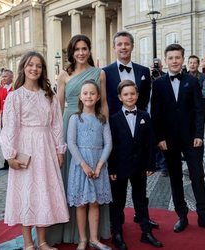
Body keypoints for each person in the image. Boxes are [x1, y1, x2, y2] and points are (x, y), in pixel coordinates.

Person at [0, 51, 69, 250]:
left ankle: (43, 241)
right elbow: (9, 126)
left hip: (45, 148)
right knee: (27, 193)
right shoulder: (15, 96)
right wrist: (10, 155)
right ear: (23, 67)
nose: (34, 69)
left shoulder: (50, 95)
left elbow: (56, 125)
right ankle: (29, 243)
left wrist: (59, 150)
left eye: (38, 65)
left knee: (43, 191)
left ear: (42, 69)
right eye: (30, 65)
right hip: (25, 148)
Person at [151, 43, 205, 233]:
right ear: (165, 61)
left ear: (182, 59)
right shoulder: (158, 84)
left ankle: (204, 216)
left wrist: (199, 134)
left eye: (177, 57)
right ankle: (182, 216)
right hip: (169, 140)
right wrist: (159, 138)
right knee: (175, 178)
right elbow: (156, 114)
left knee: (198, 176)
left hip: (192, 139)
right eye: (171, 58)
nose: (174, 61)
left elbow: (199, 111)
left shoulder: (192, 82)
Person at [46, 34, 110, 245]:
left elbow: (104, 104)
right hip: (69, 124)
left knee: (93, 183)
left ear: (89, 50)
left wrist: (105, 128)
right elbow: (57, 107)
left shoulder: (99, 73)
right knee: (68, 178)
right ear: (71, 53)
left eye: (84, 48)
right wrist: (56, 140)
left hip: (94, 124)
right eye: (77, 49)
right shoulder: (64, 75)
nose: (81, 53)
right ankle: (67, 232)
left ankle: (92, 235)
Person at [103, 30, 159, 230]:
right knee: (117, 188)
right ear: (114, 47)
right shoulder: (105, 72)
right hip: (117, 133)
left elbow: (143, 102)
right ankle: (115, 225)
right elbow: (105, 102)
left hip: (139, 131)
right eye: (120, 44)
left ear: (132, 46)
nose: (124, 47)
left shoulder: (144, 71)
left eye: (127, 44)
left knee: (139, 187)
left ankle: (142, 218)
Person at [109, 80, 163, 249]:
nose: (130, 97)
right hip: (120, 166)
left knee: (141, 199)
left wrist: (150, 165)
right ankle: (116, 232)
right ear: (120, 97)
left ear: (138, 95)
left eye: (132, 93)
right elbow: (111, 146)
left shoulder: (144, 116)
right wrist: (112, 168)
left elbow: (150, 142)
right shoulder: (114, 119)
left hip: (140, 166)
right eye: (126, 94)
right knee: (118, 200)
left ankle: (146, 232)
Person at [67, 80, 112, 250]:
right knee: (81, 204)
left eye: (92, 93)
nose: (89, 96)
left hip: (98, 164)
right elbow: (71, 143)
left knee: (94, 203)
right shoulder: (75, 118)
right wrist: (84, 165)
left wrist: (99, 166)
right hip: (81, 166)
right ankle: (83, 239)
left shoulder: (102, 119)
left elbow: (108, 144)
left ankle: (94, 238)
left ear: (98, 96)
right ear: (80, 96)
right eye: (85, 93)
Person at [149, 58, 168, 177]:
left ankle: (165, 166)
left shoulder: (165, 77)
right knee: (152, 141)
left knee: (163, 141)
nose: (156, 69)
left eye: (158, 67)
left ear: (161, 67)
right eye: (153, 68)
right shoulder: (147, 78)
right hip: (149, 113)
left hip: (163, 115)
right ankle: (155, 163)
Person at [0, 69, 14, 170]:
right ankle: (6, 163)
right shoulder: (1, 89)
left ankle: (13, 160)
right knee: (5, 140)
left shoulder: (15, 89)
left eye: (5, 76)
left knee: (13, 139)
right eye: (2, 76)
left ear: (11, 77)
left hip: (13, 118)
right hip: (3, 118)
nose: (3, 78)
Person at [188, 55, 205, 119]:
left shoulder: (204, 77)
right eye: (190, 63)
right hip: (187, 111)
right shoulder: (183, 76)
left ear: (198, 64)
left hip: (200, 110)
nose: (192, 65)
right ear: (188, 64)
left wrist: (190, 93)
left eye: (194, 63)